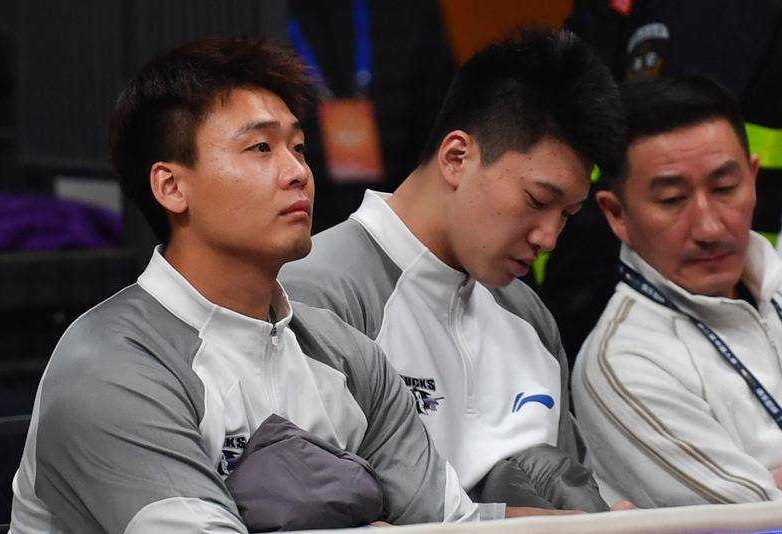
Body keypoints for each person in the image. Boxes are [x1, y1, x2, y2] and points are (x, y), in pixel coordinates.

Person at [8, 37, 479, 533]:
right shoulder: (109, 370)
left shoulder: (348, 354)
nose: (298, 173)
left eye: (299, 148)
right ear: (171, 186)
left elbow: (456, 527)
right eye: (261, 148)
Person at [281, 27, 625, 512]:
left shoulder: (529, 316)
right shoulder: (314, 295)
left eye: (567, 214)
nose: (548, 238)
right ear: (457, 157)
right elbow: (313, 513)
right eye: (537, 201)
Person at [572, 75, 782, 508]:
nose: (709, 227)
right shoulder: (623, 361)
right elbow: (750, 518)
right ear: (616, 214)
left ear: (753, 179)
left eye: (725, 189)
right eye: (671, 199)